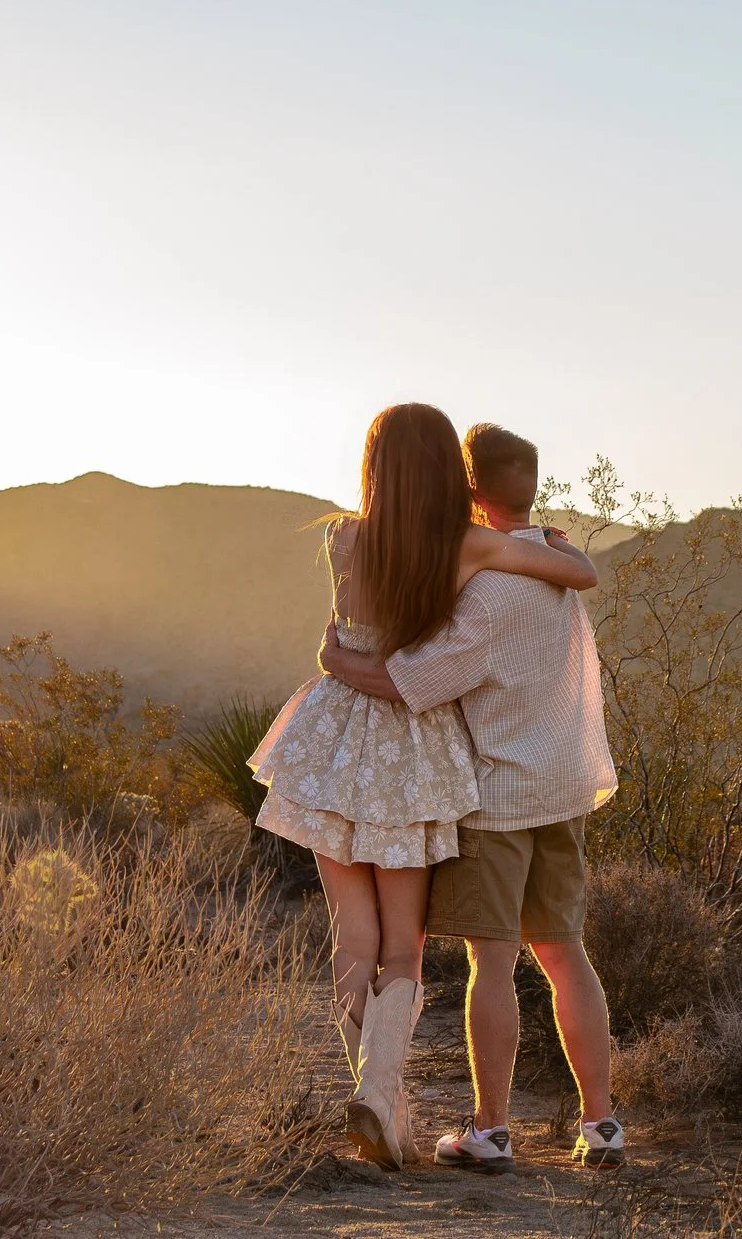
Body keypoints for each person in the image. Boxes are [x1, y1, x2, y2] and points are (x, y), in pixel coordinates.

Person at [249, 403, 598, 1171]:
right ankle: (379, 1099)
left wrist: (335, 660)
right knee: (403, 945)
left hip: (335, 739)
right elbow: (579, 575)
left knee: (354, 935)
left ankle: (388, 1109)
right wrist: (548, 543)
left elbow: (341, 644)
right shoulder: (463, 545)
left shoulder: (343, 536)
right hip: (412, 742)